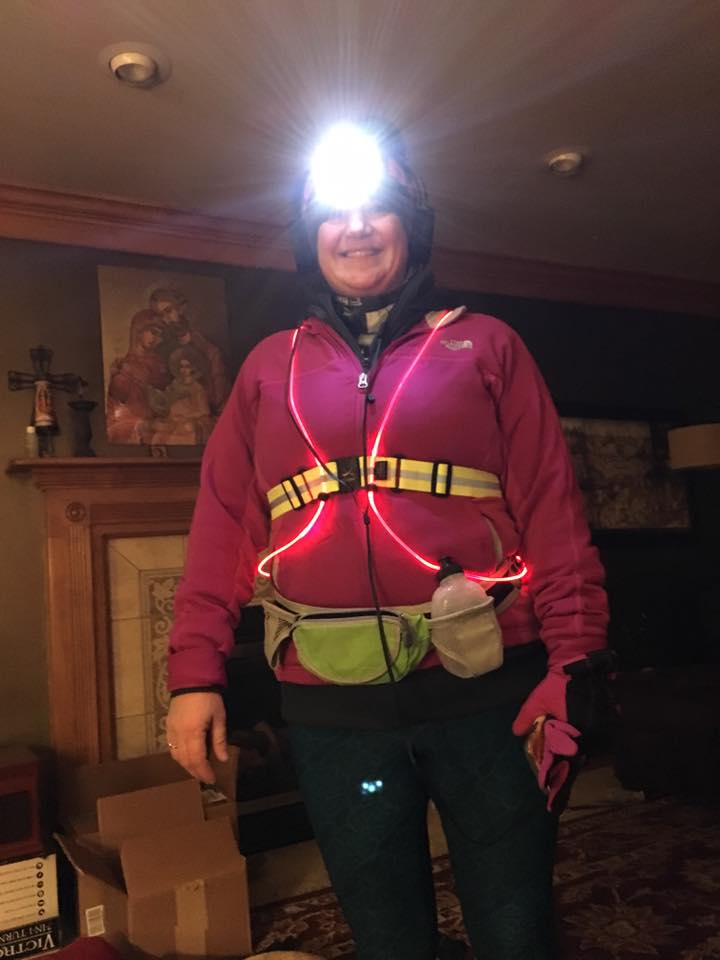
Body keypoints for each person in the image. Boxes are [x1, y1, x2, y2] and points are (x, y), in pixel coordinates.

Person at [166, 121, 610, 960]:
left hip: (490, 698)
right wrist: (194, 674)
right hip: (335, 717)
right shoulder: (265, 368)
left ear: (411, 226)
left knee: (516, 930)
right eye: (334, 213)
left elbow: (554, 509)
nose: (357, 227)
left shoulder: (489, 346)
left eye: (379, 207)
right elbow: (221, 525)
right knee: (386, 938)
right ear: (311, 237)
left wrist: (574, 660)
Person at [149, 287, 232, 415]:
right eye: (161, 315)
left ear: (180, 308)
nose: (167, 319)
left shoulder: (199, 339)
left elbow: (215, 362)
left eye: (169, 311)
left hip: (206, 399)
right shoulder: (161, 344)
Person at [106, 310, 170, 443]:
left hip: (157, 422)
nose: (156, 339)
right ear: (139, 330)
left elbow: (166, 396)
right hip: (132, 424)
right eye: (153, 332)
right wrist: (116, 377)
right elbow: (118, 401)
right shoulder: (123, 365)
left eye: (160, 336)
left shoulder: (160, 364)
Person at [148, 346, 215, 445]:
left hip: (188, 422)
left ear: (193, 368)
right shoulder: (175, 384)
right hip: (172, 420)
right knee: (157, 428)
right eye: (181, 366)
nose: (184, 370)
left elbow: (204, 412)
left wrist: (186, 417)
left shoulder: (197, 388)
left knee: (187, 428)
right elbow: (166, 401)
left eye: (187, 366)